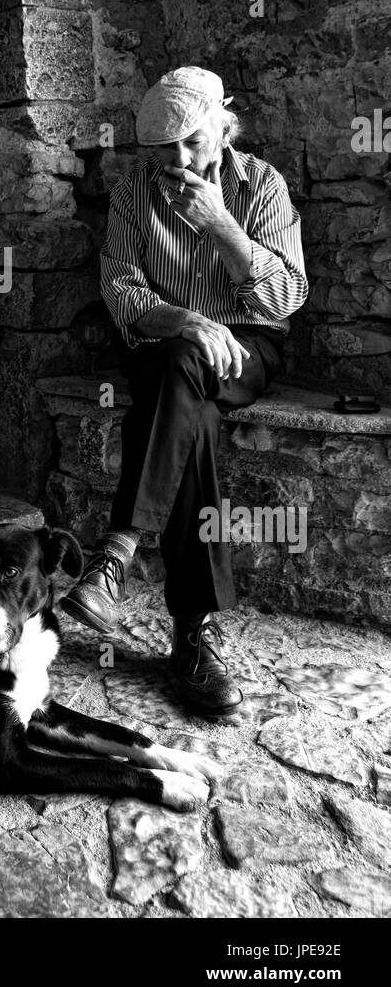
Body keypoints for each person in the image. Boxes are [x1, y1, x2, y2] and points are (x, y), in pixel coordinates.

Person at [60, 67, 308, 716]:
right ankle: (192, 635)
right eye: (162, 150)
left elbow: (286, 297)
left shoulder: (264, 188)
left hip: (248, 348)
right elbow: (120, 288)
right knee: (180, 377)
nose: (178, 161)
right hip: (165, 343)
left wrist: (222, 225)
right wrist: (190, 321)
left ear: (223, 128)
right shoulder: (132, 193)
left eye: (192, 142)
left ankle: (116, 552)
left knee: (182, 383)